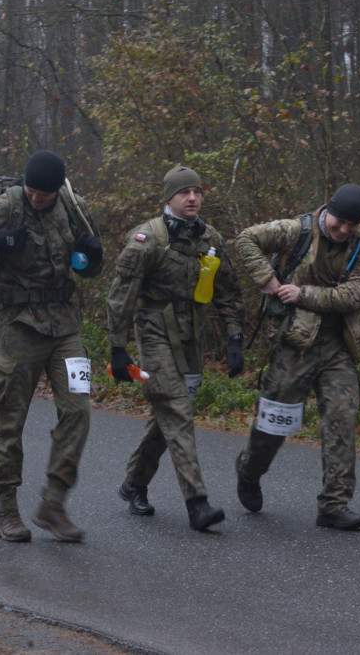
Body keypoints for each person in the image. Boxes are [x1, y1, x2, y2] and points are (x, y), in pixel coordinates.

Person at [0, 151, 103, 543]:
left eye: (43, 196)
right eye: (32, 193)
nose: (37, 201)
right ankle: (7, 511)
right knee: (10, 418)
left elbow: (88, 266)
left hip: (65, 324)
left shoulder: (73, 207)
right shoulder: (8, 204)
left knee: (78, 410)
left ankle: (54, 502)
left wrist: (92, 256)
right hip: (18, 324)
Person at [106, 165, 246, 531]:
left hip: (192, 339)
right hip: (153, 334)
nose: (193, 198)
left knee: (167, 417)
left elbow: (228, 290)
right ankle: (197, 503)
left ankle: (133, 483)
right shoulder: (147, 239)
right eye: (185, 192)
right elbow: (121, 297)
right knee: (177, 410)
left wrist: (234, 336)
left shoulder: (210, 238)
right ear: (169, 197)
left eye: (198, 192)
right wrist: (117, 349)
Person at [233, 184, 360, 530]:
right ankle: (249, 471)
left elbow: (357, 294)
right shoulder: (294, 231)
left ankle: (334, 504)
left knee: (342, 421)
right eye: (339, 223)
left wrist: (303, 294)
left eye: (351, 226)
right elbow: (244, 240)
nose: (343, 231)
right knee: (273, 427)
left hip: (339, 347)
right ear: (327, 211)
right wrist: (266, 279)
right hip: (294, 345)